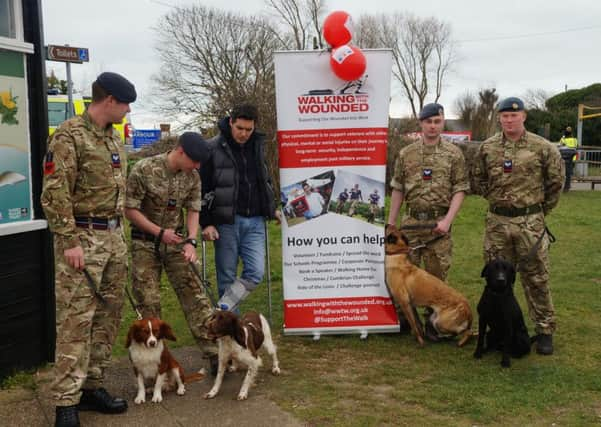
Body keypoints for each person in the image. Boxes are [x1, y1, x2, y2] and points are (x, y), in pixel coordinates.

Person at [41, 72, 136, 427]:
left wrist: (119, 239)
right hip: (81, 239)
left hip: (113, 240)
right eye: (125, 104)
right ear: (108, 100)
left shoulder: (113, 140)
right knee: (75, 321)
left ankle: (91, 386)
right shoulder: (69, 136)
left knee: (107, 318)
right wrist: (69, 242)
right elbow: (54, 194)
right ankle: (66, 401)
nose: (127, 110)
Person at [472, 96, 564, 355]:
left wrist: (538, 212)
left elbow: (556, 182)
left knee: (536, 277)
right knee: (496, 279)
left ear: (523, 116)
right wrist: (495, 198)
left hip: (530, 223)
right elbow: (477, 179)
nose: (509, 119)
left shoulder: (542, 147)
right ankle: (499, 327)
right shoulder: (487, 148)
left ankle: (544, 330)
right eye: (504, 115)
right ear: (499, 118)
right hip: (497, 223)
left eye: (514, 115)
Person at [124, 132, 218, 374]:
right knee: (149, 302)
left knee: (195, 295)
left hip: (176, 242)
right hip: (145, 242)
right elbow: (130, 210)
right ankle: (153, 363)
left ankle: (216, 354)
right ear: (180, 152)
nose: (197, 167)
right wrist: (158, 232)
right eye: (194, 161)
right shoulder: (144, 169)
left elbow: (193, 210)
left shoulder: (193, 177)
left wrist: (191, 242)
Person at [200, 104, 280, 310]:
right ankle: (230, 330)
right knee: (226, 277)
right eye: (240, 128)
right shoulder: (211, 148)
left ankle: (223, 309)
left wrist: (271, 209)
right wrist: (206, 223)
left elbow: (264, 181)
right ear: (230, 123)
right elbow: (201, 189)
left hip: (255, 220)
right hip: (226, 221)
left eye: (249, 129)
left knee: (255, 272)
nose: (244, 134)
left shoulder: (258, 146)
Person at [387, 103, 469, 282]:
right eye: (428, 121)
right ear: (421, 123)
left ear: (443, 122)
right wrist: (391, 224)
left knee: (437, 282)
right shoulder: (406, 153)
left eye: (437, 121)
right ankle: (407, 311)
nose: (433, 125)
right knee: (405, 278)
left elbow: (460, 189)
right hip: (411, 225)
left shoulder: (454, 154)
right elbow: (398, 188)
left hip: (438, 227)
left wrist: (447, 221)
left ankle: (435, 311)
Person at [558, 126, 578, 192]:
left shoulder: (563, 139)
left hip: (564, 158)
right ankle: (567, 186)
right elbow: (576, 147)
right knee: (569, 174)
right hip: (573, 159)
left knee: (562, 173)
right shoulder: (575, 140)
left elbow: (560, 147)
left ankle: (561, 186)